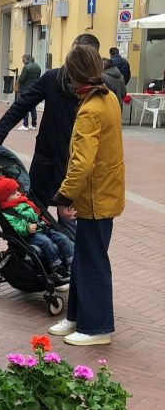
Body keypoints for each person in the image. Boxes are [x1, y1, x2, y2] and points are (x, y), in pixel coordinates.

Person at [0, 33, 107, 234]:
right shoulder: (52, 78)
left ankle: (67, 251)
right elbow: (21, 105)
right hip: (46, 160)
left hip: (74, 166)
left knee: (69, 225)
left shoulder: (99, 91)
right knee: (34, 215)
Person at [47, 44, 125, 346]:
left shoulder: (91, 109)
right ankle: (78, 317)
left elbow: (81, 163)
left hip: (96, 197)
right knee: (84, 257)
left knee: (93, 261)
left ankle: (97, 328)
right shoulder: (107, 98)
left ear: (74, 75)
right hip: (103, 192)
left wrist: (64, 197)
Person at [0, 175, 73, 282]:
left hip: (42, 228)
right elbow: (14, 227)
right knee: (46, 242)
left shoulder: (24, 202)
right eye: (13, 193)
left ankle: (71, 263)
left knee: (63, 238)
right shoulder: (7, 213)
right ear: (4, 198)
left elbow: (37, 214)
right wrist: (26, 228)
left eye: (17, 190)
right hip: (29, 235)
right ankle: (56, 267)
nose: (18, 193)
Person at [16, 55, 41, 131]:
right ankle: (33, 125)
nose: (22, 61)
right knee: (33, 107)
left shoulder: (26, 67)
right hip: (34, 89)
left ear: (25, 59)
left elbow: (22, 79)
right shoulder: (38, 67)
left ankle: (25, 125)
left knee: (24, 107)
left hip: (25, 90)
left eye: (23, 59)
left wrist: (18, 79)